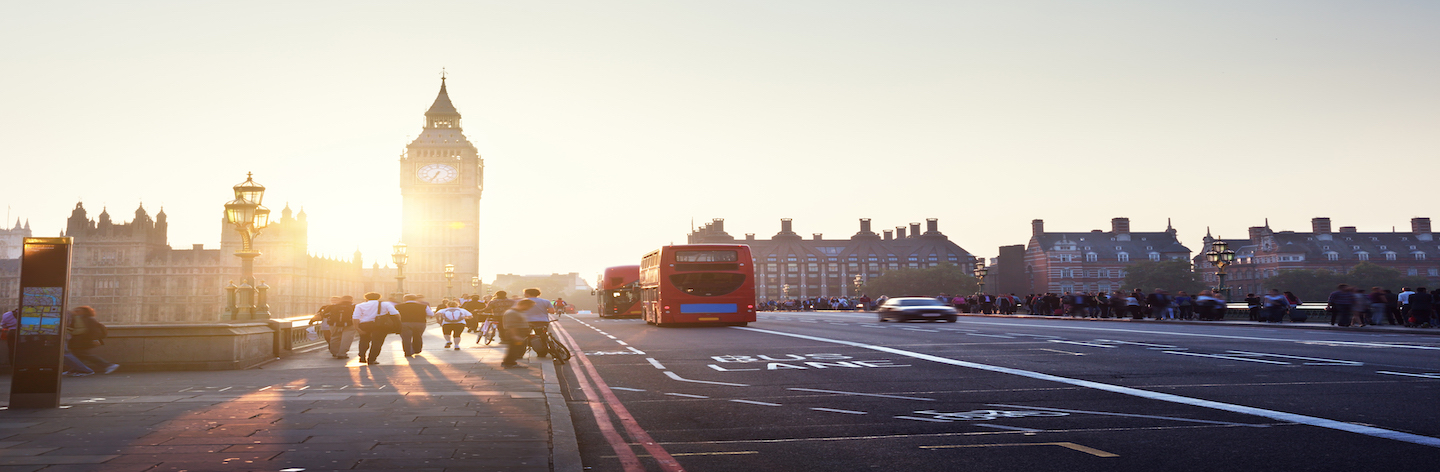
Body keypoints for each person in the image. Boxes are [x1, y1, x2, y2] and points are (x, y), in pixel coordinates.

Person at [67, 306, 118, 375]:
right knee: (80, 355)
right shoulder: (80, 318)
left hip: (84, 340)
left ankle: (108, 365)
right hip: (80, 341)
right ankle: (75, 370)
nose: (75, 311)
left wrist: (95, 339)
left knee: (83, 355)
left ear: (85, 311)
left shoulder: (89, 319)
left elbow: (94, 330)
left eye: (78, 310)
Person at [353, 292, 400, 365]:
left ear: (366, 298)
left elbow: (355, 317)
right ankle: (372, 359)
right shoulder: (385, 304)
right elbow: (395, 314)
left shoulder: (360, 305)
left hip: (365, 324)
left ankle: (362, 356)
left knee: (364, 340)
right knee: (377, 342)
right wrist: (397, 323)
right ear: (379, 297)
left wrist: (357, 328)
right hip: (380, 325)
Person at [521, 288, 556, 356]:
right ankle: (542, 353)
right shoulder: (545, 301)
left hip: (527, 321)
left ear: (527, 294)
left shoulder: (523, 301)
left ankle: (521, 352)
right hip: (542, 321)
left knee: (524, 337)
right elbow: (552, 311)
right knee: (542, 336)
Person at [501, 299, 534, 368]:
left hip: (520, 333)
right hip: (516, 333)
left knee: (516, 349)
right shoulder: (512, 313)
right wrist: (515, 336)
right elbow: (512, 326)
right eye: (529, 306)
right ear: (524, 305)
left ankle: (510, 362)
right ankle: (509, 363)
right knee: (514, 349)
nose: (529, 308)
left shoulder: (518, 312)